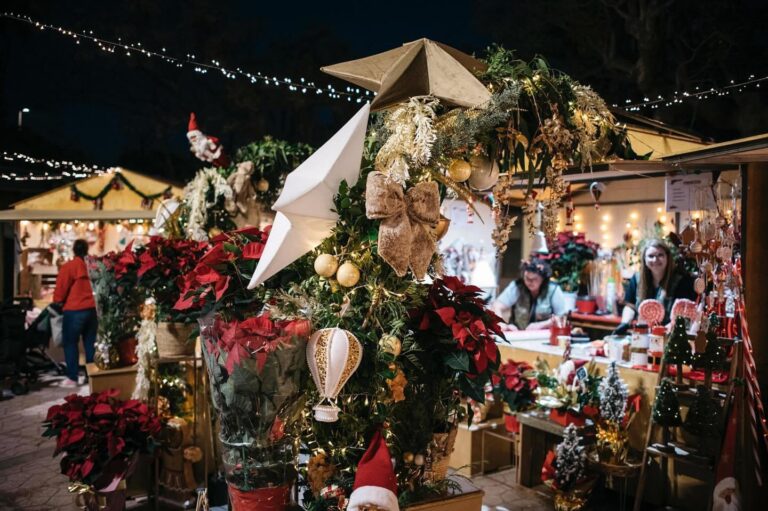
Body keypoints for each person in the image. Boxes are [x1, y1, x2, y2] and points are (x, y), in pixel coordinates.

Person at [614, 238, 696, 334]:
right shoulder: (637, 279)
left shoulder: (681, 281)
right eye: (650, 256)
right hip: (642, 334)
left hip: (670, 335)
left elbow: (684, 314)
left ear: (667, 257)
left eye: (660, 255)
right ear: (644, 259)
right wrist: (625, 323)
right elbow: (631, 306)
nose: (655, 259)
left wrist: (665, 330)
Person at [53, 239, 97, 387]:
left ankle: (72, 377)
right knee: (90, 344)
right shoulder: (93, 266)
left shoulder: (69, 267)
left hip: (74, 310)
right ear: (86, 249)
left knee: (71, 343)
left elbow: (61, 289)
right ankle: (92, 376)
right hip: (92, 310)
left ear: (74, 250)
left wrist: (58, 300)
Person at [492, 260, 567, 331]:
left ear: (543, 279)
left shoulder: (553, 289)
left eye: (534, 279)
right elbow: (497, 305)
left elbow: (562, 317)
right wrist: (502, 324)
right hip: (518, 333)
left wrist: (542, 325)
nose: (530, 282)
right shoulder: (517, 286)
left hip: (544, 336)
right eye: (527, 278)